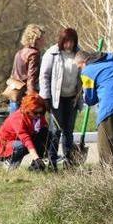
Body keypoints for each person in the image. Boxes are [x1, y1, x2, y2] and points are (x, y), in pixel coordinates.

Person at [75, 50, 113, 167]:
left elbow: (90, 99)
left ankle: (108, 179)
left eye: (79, 67)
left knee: (106, 148)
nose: (80, 70)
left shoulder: (87, 72)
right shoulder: (112, 59)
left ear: (83, 62)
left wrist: (84, 93)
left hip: (110, 106)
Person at [39, 28, 82, 169]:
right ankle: (52, 163)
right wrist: (46, 98)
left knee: (68, 132)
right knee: (55, 131)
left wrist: (81, 95)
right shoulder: (52, 54)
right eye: (66, 41)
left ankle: (69, 163)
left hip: (72, 99)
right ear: (62, 41)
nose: (69, 45)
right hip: (56, 99)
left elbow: (84, 74)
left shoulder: (79, 53)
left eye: (72, 42)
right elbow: (44, 76)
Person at [0, 93, 48, 169]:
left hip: (20, 140)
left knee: (45, 133)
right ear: (28, 110)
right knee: (22, 146)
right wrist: (36, 158)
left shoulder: (38, 116)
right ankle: (10, 165)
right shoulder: (18, 118)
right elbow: (26, 139)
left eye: (41, 112)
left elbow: (43, 129)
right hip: (5, 142)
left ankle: (35, 167)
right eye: (35, 112)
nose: (38, 115)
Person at [8, 24, 46, 112]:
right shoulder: (34, 54)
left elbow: (13, 74)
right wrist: (32, 98)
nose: (45, 40)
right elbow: (31, 78)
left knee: (14, 123)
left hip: (14, 93)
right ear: (36, 39)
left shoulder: (19, 52)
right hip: (24, 95)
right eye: (43, 38)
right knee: (27, 124)